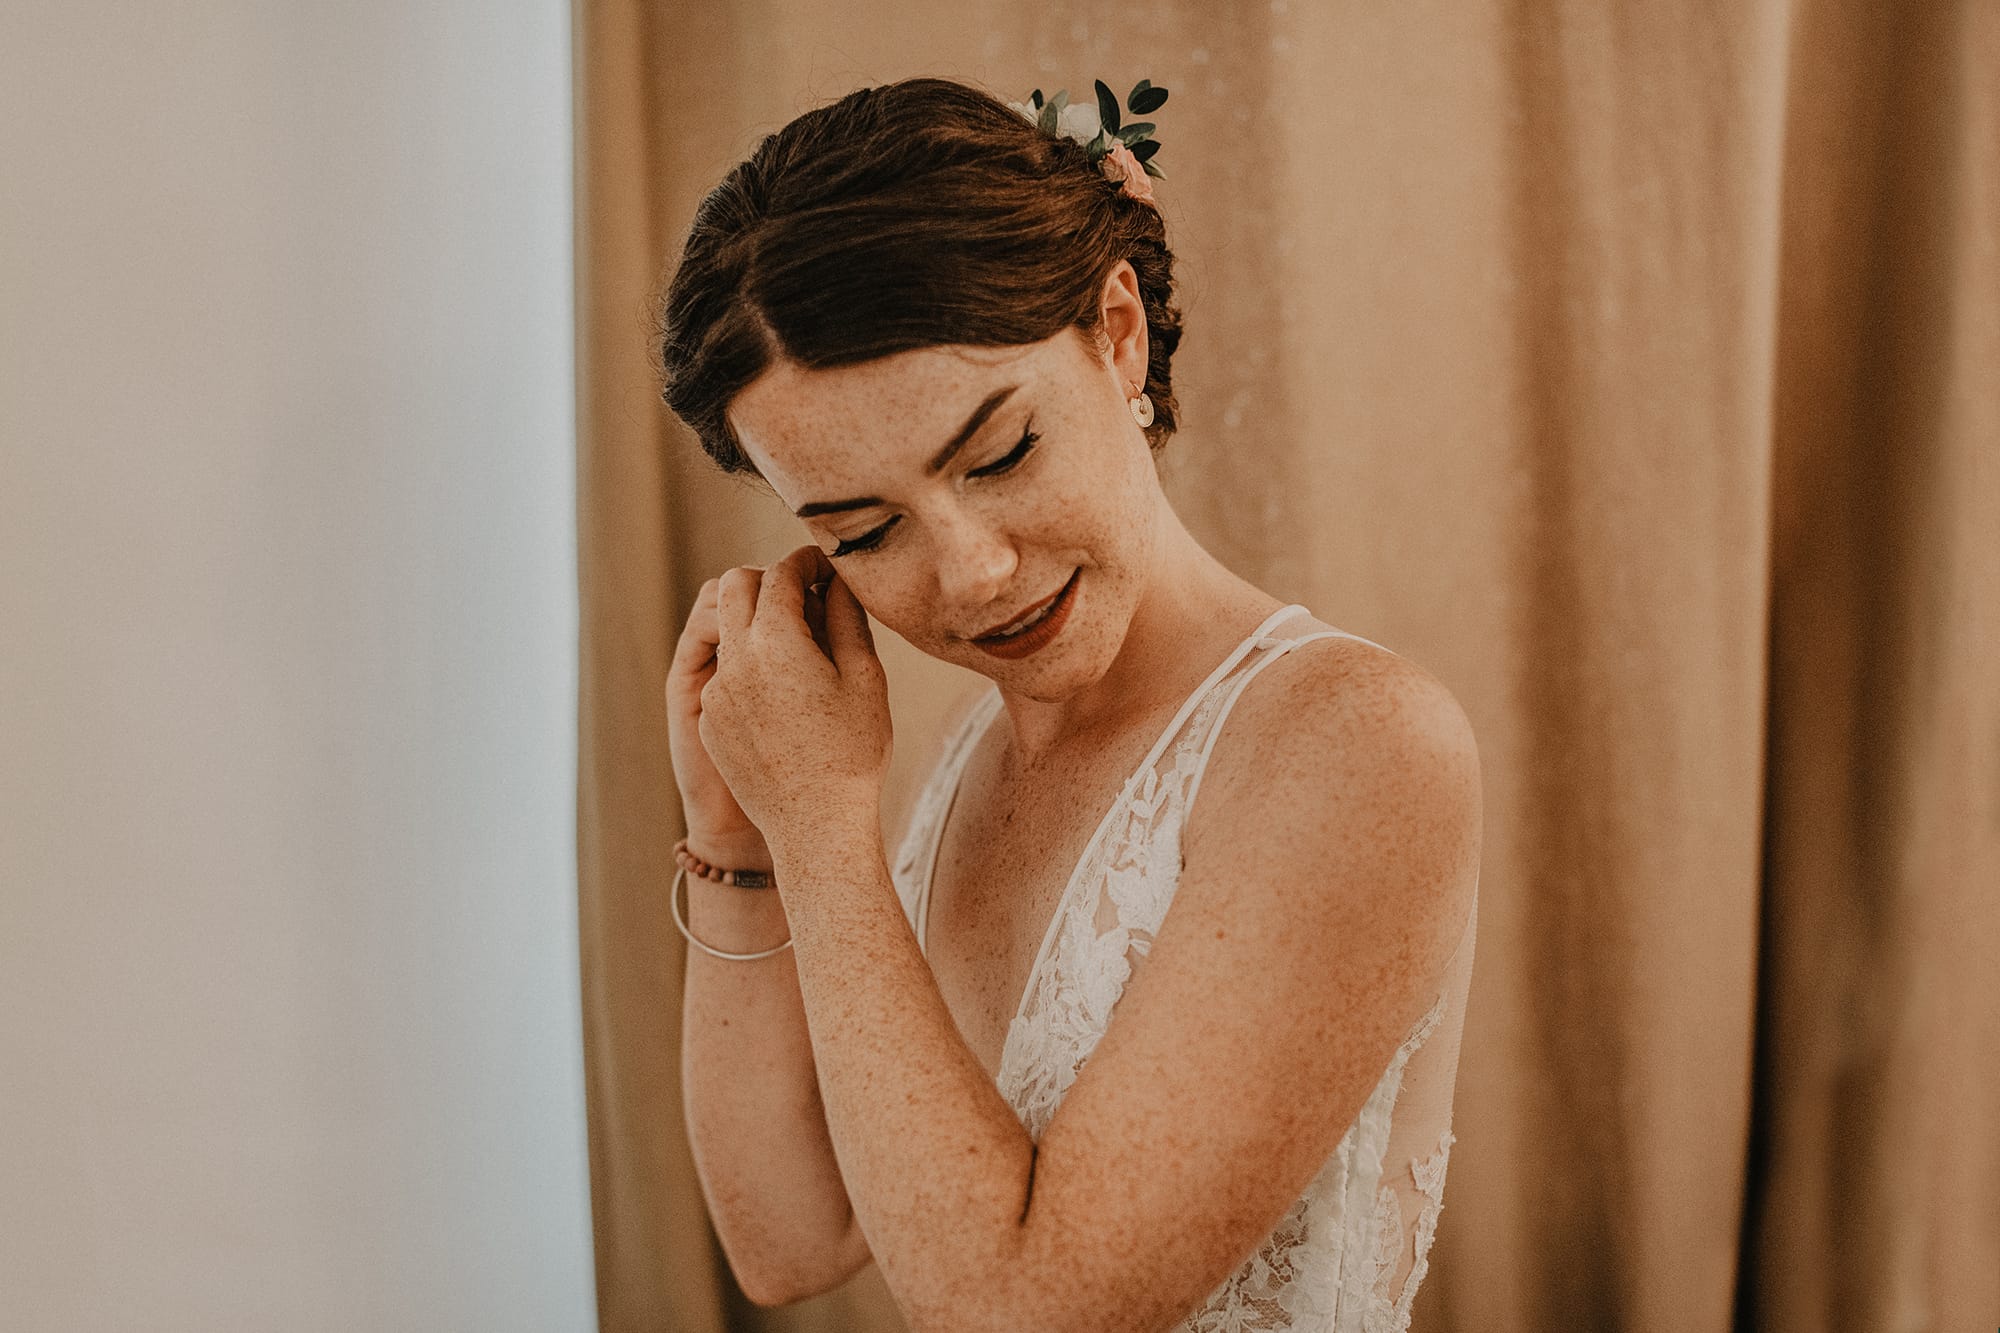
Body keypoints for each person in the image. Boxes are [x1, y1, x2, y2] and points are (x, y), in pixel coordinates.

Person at [658, 75, 1481, 1332]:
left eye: (999, 455)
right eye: (866, 531)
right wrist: (738, 840)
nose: (971, 574)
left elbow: (1029, 1312)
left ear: (1117, 332)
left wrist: (823, 829)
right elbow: (787, 1235)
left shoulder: (1352, 743)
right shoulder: (964, 751)